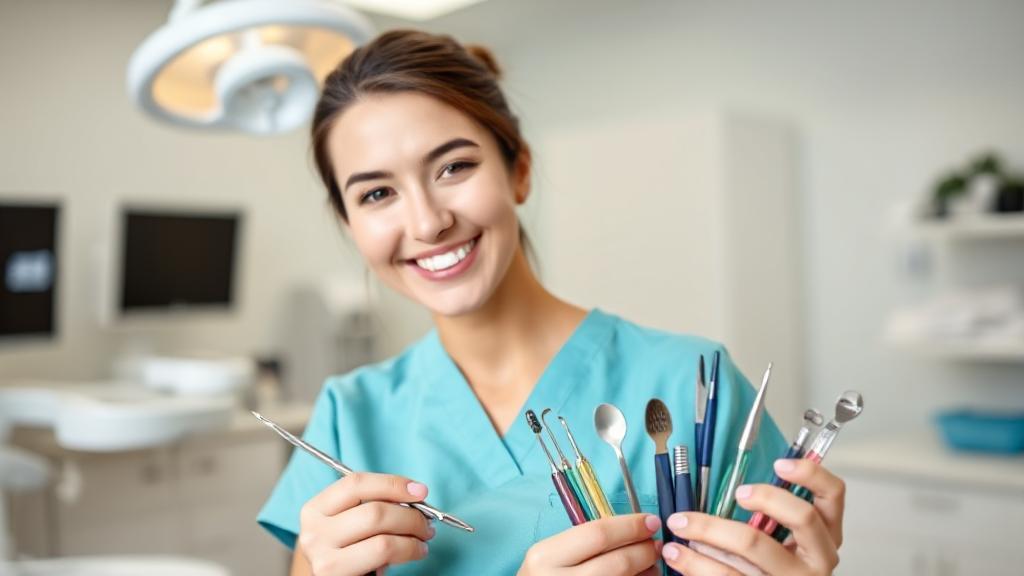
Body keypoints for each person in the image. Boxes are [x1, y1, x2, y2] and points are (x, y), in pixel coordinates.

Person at [257, 29, 846, 576]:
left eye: (454, 166)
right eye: (377, 193)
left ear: (519, 171)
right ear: (349, 222)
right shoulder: (348, 421)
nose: (427, 222)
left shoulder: (689, 380)